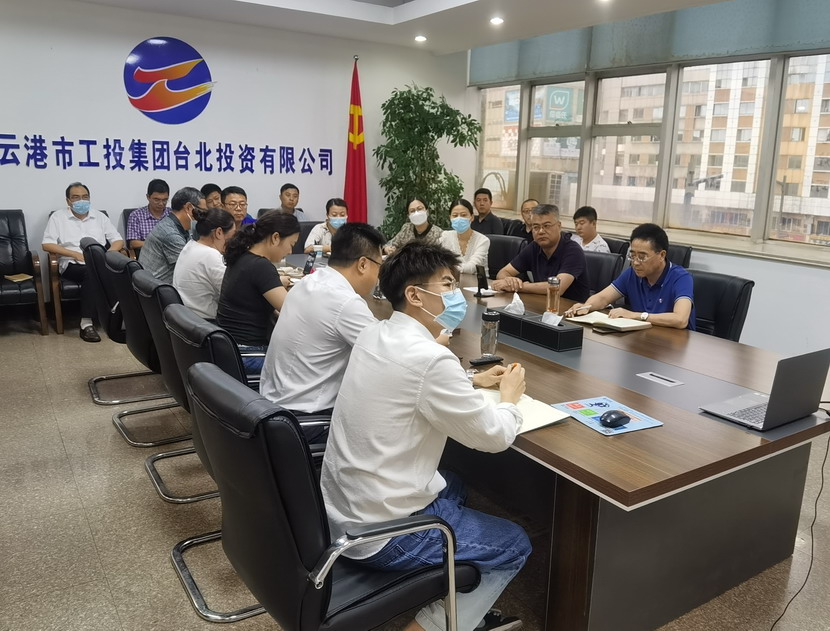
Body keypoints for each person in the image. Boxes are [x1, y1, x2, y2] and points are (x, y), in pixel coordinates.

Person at [321, 241, 530, 631]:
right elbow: (495, 436)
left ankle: (447, 586)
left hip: (341, 514)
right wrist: (509, 399)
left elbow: (408, 378)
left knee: (454, 483)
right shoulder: (431, 359)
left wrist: (468, 379)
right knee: (515, 543)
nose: (457, 294)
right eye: (447, 284)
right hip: (381, 534)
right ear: (415, 295)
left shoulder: (374, 332)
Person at [260, 223, 386, 430]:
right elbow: (389, 355)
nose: (378, 276)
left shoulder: (307, 282)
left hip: (270, 404)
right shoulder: (345, 302)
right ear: (363, 264)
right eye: (379, 266)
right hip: (304, 418)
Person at [565, 223, 696, 329]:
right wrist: (586, 306)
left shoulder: (681, 278)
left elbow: (680, 319)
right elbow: (603, 297)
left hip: (675, 345)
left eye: (642, 257)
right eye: (632, 256)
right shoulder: (632, 273)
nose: (636, 262)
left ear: (661, 255)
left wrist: (636, 315)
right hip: (643, 339)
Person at [216, 212, 299, 373]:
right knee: (303, 368)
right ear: (275, 238)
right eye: (291, 244)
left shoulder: (242, 255)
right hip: (248, 353)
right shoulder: (261, 266)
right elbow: (292, 310)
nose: (290, 251)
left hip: (229, 348)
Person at [42, 182, 124, 342]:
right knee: (91, 272)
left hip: (99, 261)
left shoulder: (99, 217)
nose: (81, 200)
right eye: (76, 197)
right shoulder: (58, 217)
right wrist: (74, 254)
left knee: (118, 272)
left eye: (85, 197)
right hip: (71, 263)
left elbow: (117, 240)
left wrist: (108, 253)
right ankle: (86, 323)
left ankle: (118, 317)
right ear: (68, 201)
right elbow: (47, 244)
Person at [492, 204, 590, 302]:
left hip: (570, 308)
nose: (541, 231)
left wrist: (520, 286)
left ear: (559, 226)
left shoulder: (573, 250)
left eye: (546, 226)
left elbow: (557, 288)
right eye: (536, 227)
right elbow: (503, 272)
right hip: (541, 304)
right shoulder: (534, 246)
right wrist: (509, 281)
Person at [172, 207, 236, 320]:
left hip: (186, 318)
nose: (234, 239)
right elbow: (233, 294)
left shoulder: (190, 245)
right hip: (206, 322)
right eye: (233, 234)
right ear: (219, 232)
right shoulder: (210, 255)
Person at [139, 187, 203, 284]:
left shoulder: (174, 223)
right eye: (202, 211)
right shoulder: (169, 233)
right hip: (158, 288)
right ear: (189, 208)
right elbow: (191, 267)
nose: (203, 216)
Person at [440, 198, 490, 274]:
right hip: (451, 279)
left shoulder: (483, 240)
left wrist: (449, 268)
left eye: (463, 215)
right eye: (455, 215)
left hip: (476, 280)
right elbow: (437, 262)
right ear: (450, 218)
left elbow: (472, 268)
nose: (459, 218)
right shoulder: (445, 236)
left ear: (472, 217)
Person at [126, 179, 171, 250]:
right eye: (156, 200)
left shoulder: (173, 214)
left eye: (165, 200)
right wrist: (158, 244)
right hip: (148, 253)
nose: (161, 203)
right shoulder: (136, 215)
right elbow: (133, 243)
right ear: (148, 197)